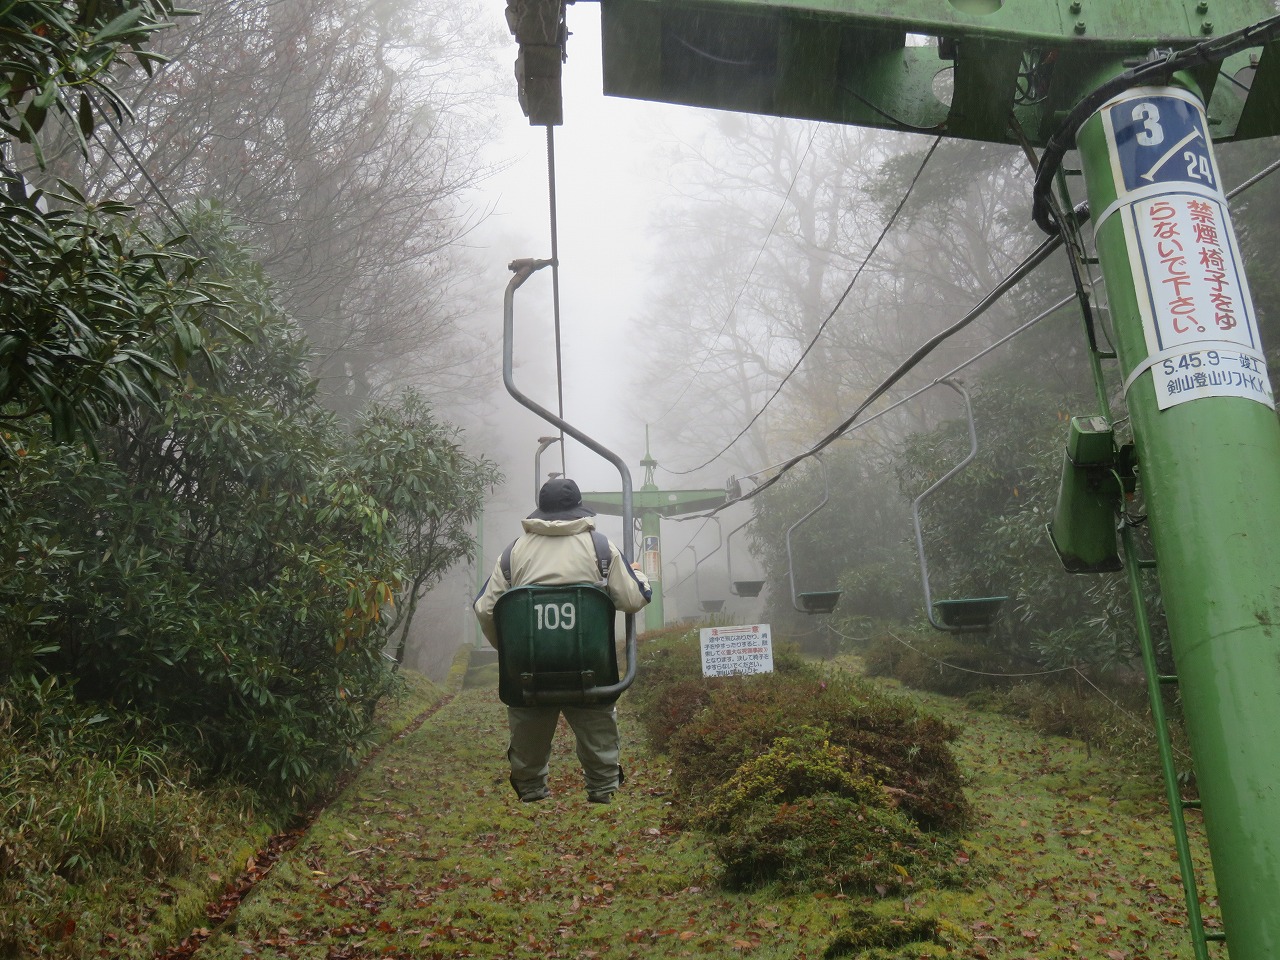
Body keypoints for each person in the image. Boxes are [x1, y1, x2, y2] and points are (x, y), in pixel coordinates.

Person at [474, 477, 651, 804]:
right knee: (597, 723)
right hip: (589, 665)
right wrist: (638, 574)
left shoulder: (513, 553)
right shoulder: (600, 548)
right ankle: (603, 789)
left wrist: (510, 647)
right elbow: (633, 599)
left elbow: (485, 608)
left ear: (540, 512)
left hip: (529, 666)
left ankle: (530, 791)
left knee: (529, 723)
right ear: (578, 510)